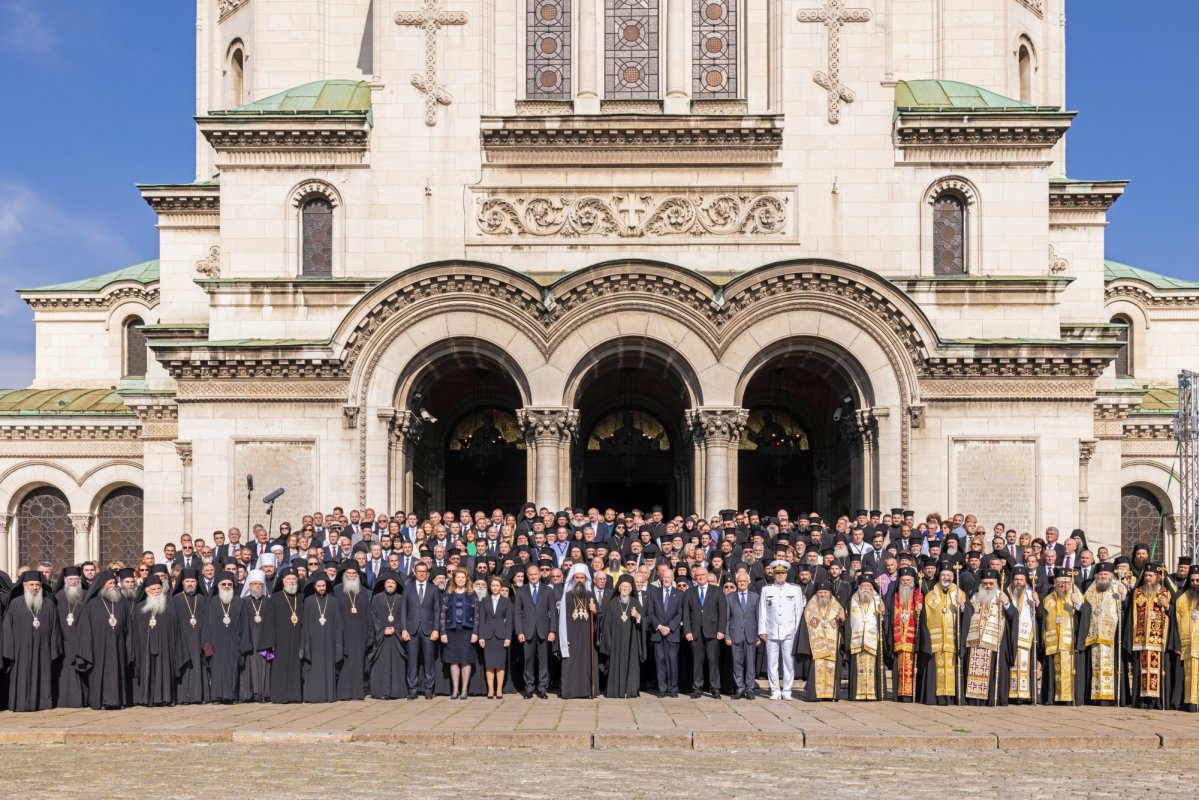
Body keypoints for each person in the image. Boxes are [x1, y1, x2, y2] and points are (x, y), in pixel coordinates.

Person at [2, 571, 60, 711]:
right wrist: (9, 651)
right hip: (20, 650)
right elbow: (7, 629)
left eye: (38, 585)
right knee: (21, 676)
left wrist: (53, 649)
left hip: (43, 649)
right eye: (31, 585)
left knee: (43, 675)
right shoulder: (15, 604)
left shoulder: (49, 604)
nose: (35, 588)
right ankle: (21, 704)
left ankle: (43, 703)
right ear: (24, 586)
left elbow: (55, 629)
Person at [75, 569, 130, 710]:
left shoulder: (121, 603)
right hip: (98, 648)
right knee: (100, 673)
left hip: (118, 645)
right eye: (110, 583)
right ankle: (101, 701)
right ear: (101, 585)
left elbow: (127, 627)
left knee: (118, 672)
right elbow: (84, 630)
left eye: (114, 583)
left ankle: (119, 700)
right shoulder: (91, 604)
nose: (113, 586)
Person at [127, 574, 185, 707]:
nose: (157, 592)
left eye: (159, 589)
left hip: (165, 646)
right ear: (147, 591)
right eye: (153, 589)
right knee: (147, 669)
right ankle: (148, 698)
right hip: (145, 646)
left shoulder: (169, 607)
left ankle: (166, 698)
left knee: (164, 669)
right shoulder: (140, 608)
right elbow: (135, 631)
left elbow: (175, 629)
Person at [961, 569, 1015, 706]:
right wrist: (962, 606)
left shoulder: (1001, 596)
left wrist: (1007, 604)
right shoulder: (975, 596)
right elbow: (966, 614)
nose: (988, 586)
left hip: (995, 640)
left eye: (991, 583)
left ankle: (991, 698)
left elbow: (1014, 616)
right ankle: (974, 699)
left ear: (996, 584)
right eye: (985, 583)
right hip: (975, 640)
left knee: (993, 669)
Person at [1080, 562, 1127, 706]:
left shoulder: (1118, 587)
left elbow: (1125, 609)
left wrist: (1124, 596)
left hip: (1112, 637)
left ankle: (1112, 698)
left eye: (1106, 574)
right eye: (1100, 575)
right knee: (1094, 666)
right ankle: (1094, 697)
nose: (1103, 577)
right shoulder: (1091, 590)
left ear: (1111, 576)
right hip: (1094, 636)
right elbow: (1085, 609)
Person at [1125, 563, 1172, 709]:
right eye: (1145, 575)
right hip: (1140, 639)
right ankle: (1141, 701)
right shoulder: (1137, 592)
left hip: (1158, 640)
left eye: (1150, 576)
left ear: (1157, 577)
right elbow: (1130, 616)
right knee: (1140, 671)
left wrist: (1167, 605)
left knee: (1158, 672)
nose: (1147, 578)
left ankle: (1157, 702)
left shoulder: (1165, 592)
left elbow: (1174, 613)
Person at [919, 562, 964, 705]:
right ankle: (934, 698)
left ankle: (951, 698)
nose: (945, 577)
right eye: (943, 575)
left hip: (952, 639)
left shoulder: (960, 594)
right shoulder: (930, 595)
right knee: (935, 669)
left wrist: (962, 605)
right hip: (935, 640)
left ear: (953, 577)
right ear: (939, 576)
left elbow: (967, 615)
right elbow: (925, 619)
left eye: (948, 575)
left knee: (951, 668)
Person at [1038, 567, 1085, 705]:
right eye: (1060, 582)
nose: (1063, 585)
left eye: (1066, 582)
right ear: (1055, 583)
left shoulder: (1077, 596)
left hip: (1070, 644)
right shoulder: (1048, 599)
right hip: (1053, 643)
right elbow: (1041, 619)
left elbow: (1086, 615)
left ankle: (1070, 699)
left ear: (1071, 582)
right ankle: (1052, 698)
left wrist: (1079, 605)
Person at [759, 560, 804, 700]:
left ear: (787, 574)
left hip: (789, 631)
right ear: (773, 574)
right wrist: (762, 630)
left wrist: (798, 632)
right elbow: (762, 611)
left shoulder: (795, 589)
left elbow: (799, 612)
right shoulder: (766, 589)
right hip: (771, 631)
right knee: (772, 663)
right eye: (777, 573)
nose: (780, 575)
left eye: (783, 573)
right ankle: (775, 690)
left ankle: (787, 690)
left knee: (788, 662)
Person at [203, 574, 251, 704]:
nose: (226, 586)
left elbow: (245, 624)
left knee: (233, 669)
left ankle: (232, 696)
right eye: (223, 584)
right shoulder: (212, 601)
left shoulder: (239, 602)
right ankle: (216, 697)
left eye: (229, 584)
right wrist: (207, 647)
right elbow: (206, 626)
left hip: (233, 643)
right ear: (218, 586)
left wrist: (243, 645)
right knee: (217, 670)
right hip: (215, 645)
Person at [795, 580, 846, 701]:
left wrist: (843, 619)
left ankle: (831, 694)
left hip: (833, 645)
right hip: (816, 645)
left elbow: (844, 625)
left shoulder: (837, 606)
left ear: (830, 593)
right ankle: (815, 695)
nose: (823, 595)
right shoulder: (810, 607)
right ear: (816, 593)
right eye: (820, 592)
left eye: (825, 592)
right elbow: (805, 626)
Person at [682, 565, 726, 699]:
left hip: (712, 631)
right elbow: (685, 613)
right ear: (695, 577)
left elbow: (723, 612)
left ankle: (715, 688)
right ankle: (697, 688)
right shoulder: (689, 592)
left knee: (713, 661)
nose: (700, 577)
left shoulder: (717, 591)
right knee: (697, 662)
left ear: (707, 576)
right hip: (695, 632)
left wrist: (721, 630)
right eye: (698, 575)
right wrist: (687, 630)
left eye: (703, 575)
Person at [514, 563, 556, 699]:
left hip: (544, 630)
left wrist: (552, 631)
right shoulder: (521, 591)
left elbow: (553, 612)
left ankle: (542, 688)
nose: (533, 576)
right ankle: (529, 688)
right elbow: (517, 612)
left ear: (539, 575)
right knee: (528, 661)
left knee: (544, 661)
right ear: (527, 576)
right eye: (530, 574)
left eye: (535, 574)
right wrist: (519, 632)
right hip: (527, 631)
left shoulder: (548, 590)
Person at [599, 574, 645, 699]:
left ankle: (630, 690)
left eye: (627, 587)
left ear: (631, 589)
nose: (625, 589)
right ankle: (615, 690)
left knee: (631, 665)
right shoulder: (612, 604)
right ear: (619, 588)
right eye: (623, 586)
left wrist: (638, 616)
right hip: (615, 642)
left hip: (632, 642)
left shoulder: (635, 603)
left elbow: (645, 622)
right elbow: (606, 625)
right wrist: (608, 643)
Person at [301, 572, 343, 703]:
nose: (321, 588)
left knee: (328, 667)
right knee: (314, 668)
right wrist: (306, 644)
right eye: (319, 586)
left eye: (323, 586)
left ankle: (328, 696)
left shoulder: (334, 602)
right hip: (313, 642)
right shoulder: (308, 601)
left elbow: (338, 624)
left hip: (329, 641)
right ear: (314, 586)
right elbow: (305, 625)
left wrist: (338, 644)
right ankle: (313, 696)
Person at [401, 561, 441, 700]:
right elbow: (403, 610)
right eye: (419, 571)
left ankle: (429, 690)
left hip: (428, 630)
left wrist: (436, 629)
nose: (422, 573)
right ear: (415, 572)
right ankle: (412, 690)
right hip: (411, 630)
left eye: (424, 571)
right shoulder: (408, 588)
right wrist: (404, 629)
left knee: (429, 661)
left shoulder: (433, 589)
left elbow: (437, 610)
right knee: (412, 662)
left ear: (428, 573)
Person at [558, 564, 598, 699]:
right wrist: (564, 638)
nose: (580, 580)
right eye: (577, 578)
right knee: (571, 663)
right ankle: (570, 691)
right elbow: (562, 620)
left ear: (586, 579)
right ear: (572, 579)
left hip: (587, 636)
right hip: (572, 636)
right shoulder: (567, 596)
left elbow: (598, 618)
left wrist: (595, 610)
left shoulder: (590, 595)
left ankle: (587, 691)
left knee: (586, 662)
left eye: (582, 578)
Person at [440, 566, 479, 700]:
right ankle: (455, 690)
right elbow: (442, 614)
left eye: (463, 577)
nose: (461, 579)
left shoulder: (472, 594)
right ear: (454, 579)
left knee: (466, 660)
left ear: (466, 579)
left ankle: (464, 690)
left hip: (467, 631)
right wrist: (443, 632)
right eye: (458, 577)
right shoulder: (448, 594)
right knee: (454, 660)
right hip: (451, 631)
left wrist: (475, 632)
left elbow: (477, 614)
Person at [368, 570, 407, 700]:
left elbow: (406, 617)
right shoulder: (377, 598)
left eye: (392, 583)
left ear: (397, 585)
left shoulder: (401, 599)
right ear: (384, 584)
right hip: (381, 638)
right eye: (388, 582)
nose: (390, 584)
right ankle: (380, 692)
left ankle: (397, 692)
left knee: (397, 664)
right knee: (381, 664)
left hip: (397, 638)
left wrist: (396, 629)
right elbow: (372, 617)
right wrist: (382, 629)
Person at [845, 574, 884, 701]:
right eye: (863, 586)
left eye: (868, 586)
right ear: (859, 587)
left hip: (872, 637)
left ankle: (873, 693)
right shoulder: (852, 600)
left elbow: (883, 621)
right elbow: (848, 619)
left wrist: (882, 613)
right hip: (857, 638)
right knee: (858, 666)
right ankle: (857, 693)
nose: (866, 588)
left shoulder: (878, 599)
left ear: (872, 587)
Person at [53, 566, 87, 708]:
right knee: (65, 672)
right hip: (64, 642)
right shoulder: (58, 596)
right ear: (65, 580)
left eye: (76, 579)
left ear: (80, 580)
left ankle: (84, 699)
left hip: (82, 641)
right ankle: (64, 700)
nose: (73, 581)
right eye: (71, 579)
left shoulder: (86, 595)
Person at [335, 562, 369, 701]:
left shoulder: (364, 592)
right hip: (343, 633)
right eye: (348, 573)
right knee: (344, 662)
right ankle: (344, 693)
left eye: (354, 573)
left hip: (360, 633)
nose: (351, 576)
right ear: (344, 575)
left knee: (358, 662)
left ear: (358, 575)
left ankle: (357, 692)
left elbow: (368, 614)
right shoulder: (336, 590)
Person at [269, 568, 304, 704]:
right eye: (289, 579)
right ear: (283, 581)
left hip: (297, 639)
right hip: (280, 641)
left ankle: (295, 696)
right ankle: (279, 696)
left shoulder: (301, 598)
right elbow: (270, 622)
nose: (291, 581)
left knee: (296, 667)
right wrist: (271, 644)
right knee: (280, 667)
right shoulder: (275, 598)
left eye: (294, 579)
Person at [648, 563, 683, 698]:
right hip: (658, 633)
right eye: (665, 577)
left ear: (673, 579)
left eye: (669, 577)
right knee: (660, 662)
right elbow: (650, 613)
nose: (667, 579)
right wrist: (659, 626)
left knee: (673, 662)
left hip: (672, 633)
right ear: (661, 578)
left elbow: (680, 613)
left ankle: (673, 689)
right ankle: (662, 689)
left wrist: (669, 627)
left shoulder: (679, 594)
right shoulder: (653, 593)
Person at [724, 570, 760, 700]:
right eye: (740, 581)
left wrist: (758, 636)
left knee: (750, 664)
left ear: (748, 582)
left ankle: (750, 689)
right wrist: (727, 635)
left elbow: (758, 617)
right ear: (736, 582)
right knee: (737, 663)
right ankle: (739, 688)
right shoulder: (730, 597)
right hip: (735, 635)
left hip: (751, 635)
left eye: (744, 581)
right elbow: (727, 618)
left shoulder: (755, 597)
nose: (742, 583)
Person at [239, 569, 274, 703]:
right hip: (249, 640)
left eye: (260, 584)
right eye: (254, 584)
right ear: (249, 586)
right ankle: (250, 694)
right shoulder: (243, 601)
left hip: (264, 640)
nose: (257, 587)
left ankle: (264, 693)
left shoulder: (268, 601)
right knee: (249, 666)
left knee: (265, 665)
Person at [1006, 566, 1039, 704]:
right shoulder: (1007, 592)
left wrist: (1037, 602)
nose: (1018, 582)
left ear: (1026, 581)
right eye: (1016, 579)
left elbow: (1039, 615)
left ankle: (1026, 695)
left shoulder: (1031, 593)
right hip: (1011, 635)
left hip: (1027, 636)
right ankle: (1011, 694)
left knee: (1026, 665)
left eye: (1021, 579)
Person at [1170, 564, 1199, 711]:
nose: (1195, 583)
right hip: (1186, 645)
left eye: (1198, 580)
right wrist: (1176, 644)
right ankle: (1190, 704)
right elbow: (1175, 624)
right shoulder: (1181, 599)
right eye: (1192, 580)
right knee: (1187, 675)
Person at [478, 574, 512, 699]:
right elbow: (482, 620)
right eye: (493, 585)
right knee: (489, 664)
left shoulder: (506, 601)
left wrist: (508, 637)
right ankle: (491, 689)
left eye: (497, 585)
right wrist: (481, 637)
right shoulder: (484, 601)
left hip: (501, 636)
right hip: (488, 636)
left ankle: (499, 689)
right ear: (490, 587)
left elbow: (509, 621)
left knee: (500, 664)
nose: (495, 587)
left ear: (501, 587)